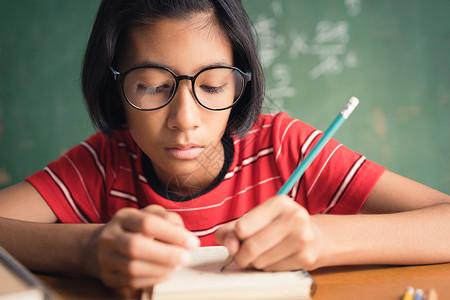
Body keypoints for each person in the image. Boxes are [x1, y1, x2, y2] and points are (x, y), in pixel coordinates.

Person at [1, 0, 449, 292]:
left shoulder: (285, 148)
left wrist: (322, 239)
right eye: (153, 87)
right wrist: (88, 249)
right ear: (114, 87)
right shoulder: (103, 163)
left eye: (213, 86)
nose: (185, 120)